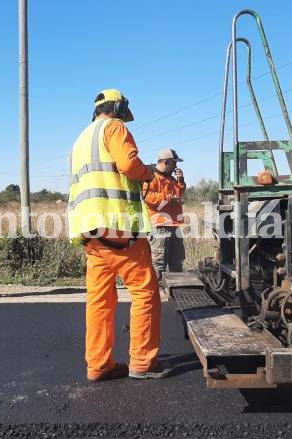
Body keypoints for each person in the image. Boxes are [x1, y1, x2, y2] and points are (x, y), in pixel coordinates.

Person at [67, 88, 170, 381]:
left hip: (89, 230)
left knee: (99, 300)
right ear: (119, 106)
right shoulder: (114, 127)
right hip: (119, 227)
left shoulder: (80, 140)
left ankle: (99, 366)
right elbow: (128, 165)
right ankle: (143, 363)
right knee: (145, 292)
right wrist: (149, 173)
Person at [143, 148, 187, 294]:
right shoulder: (150, 176)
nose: (176, 166)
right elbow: (148, 197)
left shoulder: (171, 178)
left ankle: (176, 288)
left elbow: (179, 193)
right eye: (174, 163)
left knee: (177, 259)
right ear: (167, 162)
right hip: (159, 225)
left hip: (174, 224)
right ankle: (158, 290)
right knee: (159, 260)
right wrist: (168, 198)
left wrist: (180, 180)